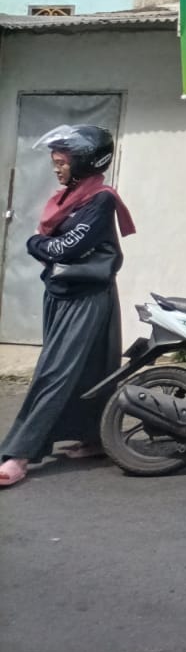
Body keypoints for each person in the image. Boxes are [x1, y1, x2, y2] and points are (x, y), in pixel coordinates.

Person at [0, 125, 135, 488]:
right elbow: (53, 244)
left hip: (87, 296)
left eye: (62, 162)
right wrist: (40, 244)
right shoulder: (68, 198)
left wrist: (34, 244)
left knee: (54, 371)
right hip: (63, 293)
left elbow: (64, 249)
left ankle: (20, 453)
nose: (56, 169)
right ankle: (94, 437)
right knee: (94, 366)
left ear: (85, 162)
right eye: (54, 162)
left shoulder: (100, 199)